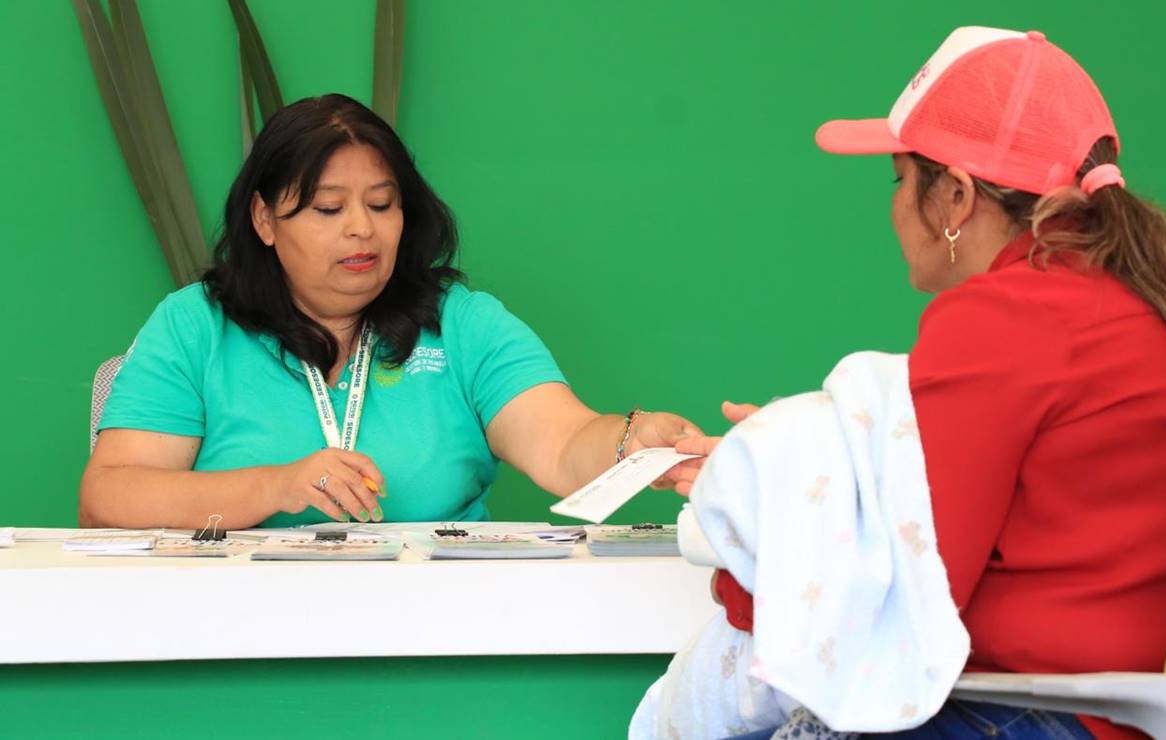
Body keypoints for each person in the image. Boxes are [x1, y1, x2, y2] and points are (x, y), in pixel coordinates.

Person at [673, 27, 1166, 740]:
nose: (893, 206)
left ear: (952, 195)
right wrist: (809, 461)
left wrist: (757, 524)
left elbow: (898, 599)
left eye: (900, 179)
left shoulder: (1004, 317)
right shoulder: (1135, 298)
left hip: (1031, 715)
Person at [80, 93, 702, 530]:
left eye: (382, 204)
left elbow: (565, 444)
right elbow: (109, 497)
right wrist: (278, 485)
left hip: (440, 627)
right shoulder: (195, 326)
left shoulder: (461, 323)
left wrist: (630, 442)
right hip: (233, 628)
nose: (363, 231)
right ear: (265, 219)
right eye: (329, 210)